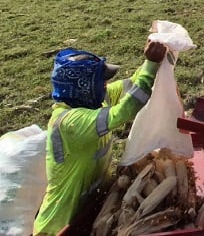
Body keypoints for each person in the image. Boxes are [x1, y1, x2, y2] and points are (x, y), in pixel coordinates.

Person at [33, 39, 167, 235]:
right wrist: (152, 64)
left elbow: (130, 86)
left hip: (89, 211)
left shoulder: (92, 102)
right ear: (83, 87)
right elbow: (125, 111)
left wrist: (152, 61)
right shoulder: (70, 122)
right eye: (101, 81)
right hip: (60, 226)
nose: (106, 85)